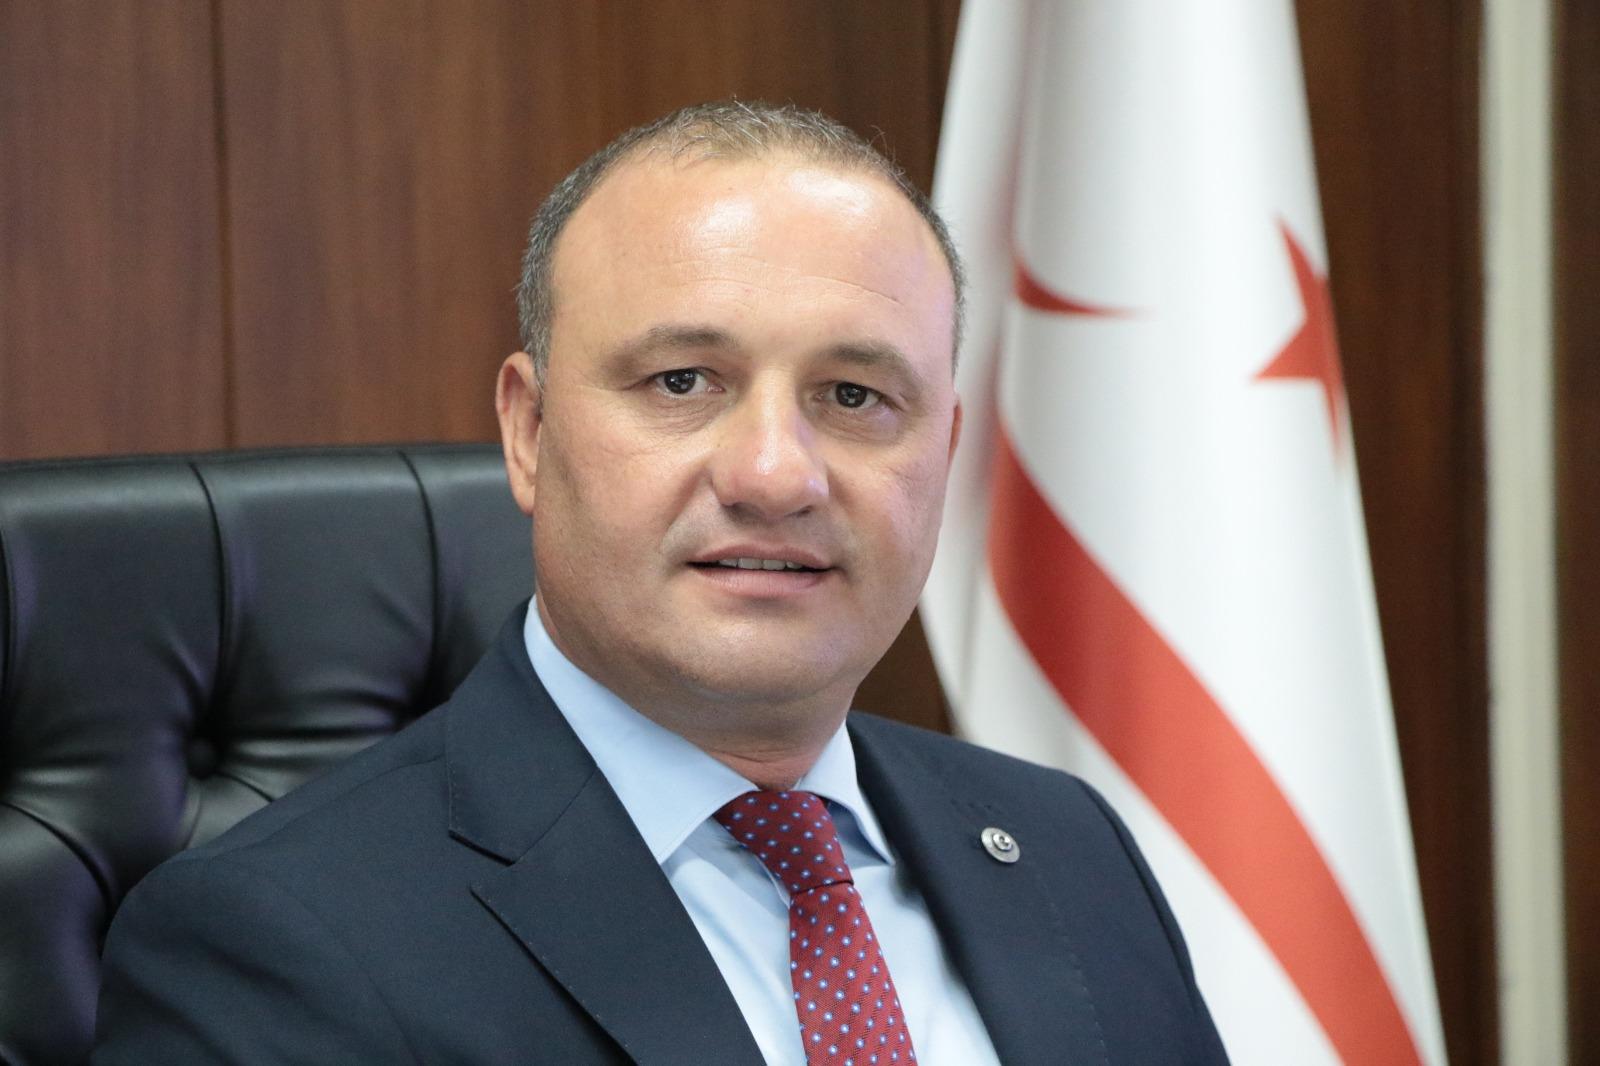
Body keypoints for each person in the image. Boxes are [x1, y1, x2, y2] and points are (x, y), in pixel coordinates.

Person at [92, 101, 1229, 1065]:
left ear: (944, 450)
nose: (775, 475)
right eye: (684, 381)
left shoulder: (1064, 844)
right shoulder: (272, 942)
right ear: (529, 432)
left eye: (853, 397)